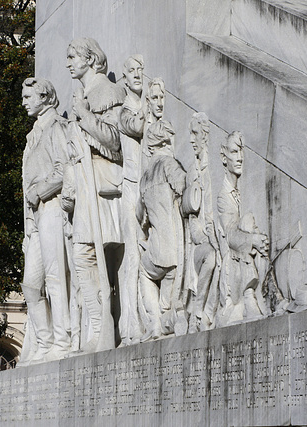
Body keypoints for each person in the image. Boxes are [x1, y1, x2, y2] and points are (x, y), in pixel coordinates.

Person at [62, 37, 126, 353]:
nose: (68, 62)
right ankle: (99, 326)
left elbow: (116, 142)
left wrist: (84, 115)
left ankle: (104, 327)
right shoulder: (82, 95)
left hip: (102, 186)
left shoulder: (107, 91)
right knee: (82, 256)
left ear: (90, 58)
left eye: (73, 56)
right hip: (85, 187)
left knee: (89, 255)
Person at [19, 77, 71, 363]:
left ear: (45, 97)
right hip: (35, 217)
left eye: (29, 97)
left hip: (52, 207)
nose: (24, 101)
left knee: (55, 277)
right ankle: (44, 341)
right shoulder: (32, 136)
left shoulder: (57, 128)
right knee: (30, 284)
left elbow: (65, 170)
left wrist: (41, 191)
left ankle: (61, 340)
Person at [137, 119, 187, 340]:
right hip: (173, 251)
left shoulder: (145, 176)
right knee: (169, 299)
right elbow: (182, 185)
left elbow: (141, 215)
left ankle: (155, 321)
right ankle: (164, 320)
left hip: (156, 248)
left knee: (144, 271)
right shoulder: (168, 164)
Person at [215, 131, 270, 327]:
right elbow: (230, 235)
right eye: (234, 151)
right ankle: (248, 295)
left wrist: (257, 239)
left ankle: (267, 291)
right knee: (246, 223)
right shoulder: (223, 196)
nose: (239, 158)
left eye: (241, 152)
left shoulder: (240, 190)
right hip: (232, 272)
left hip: (245, 258)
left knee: (252, 228)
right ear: (224, 157)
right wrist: (252, 240)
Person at [117, 54, 146, 346]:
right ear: (124, 78)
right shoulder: (125, 111)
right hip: (131, 189)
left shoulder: (141, 107)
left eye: (141, 70)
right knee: (133, 259)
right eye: (132, 71)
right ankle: (129, 323)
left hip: (148, 191)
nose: (138, 75)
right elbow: (135, 126)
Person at [184, 112, 218, 333]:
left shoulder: (212, 168)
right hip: (199, 247)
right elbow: (193, 223)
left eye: (195, 134)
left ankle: (211, 312)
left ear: (205, 136)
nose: (190, 140)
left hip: (217, 236)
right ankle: (199, 309)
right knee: (213, 256)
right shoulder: (192, 173)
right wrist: (208, 236)